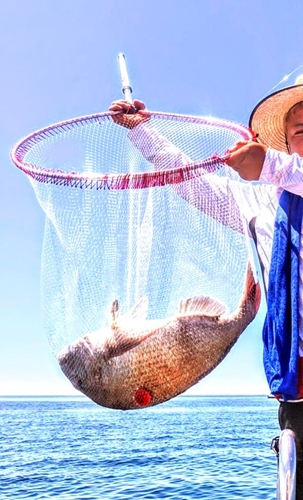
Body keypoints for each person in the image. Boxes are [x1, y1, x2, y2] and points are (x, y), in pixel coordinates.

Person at [109, 80, 303, 498]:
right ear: (286, 141)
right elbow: (190, 181)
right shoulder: (263, 203)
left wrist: (271, 167)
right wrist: (142, 131)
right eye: (300, 131)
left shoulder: (280, 170)